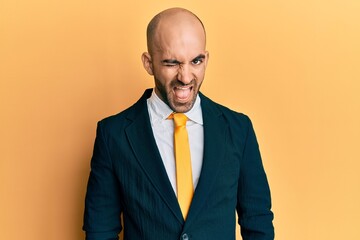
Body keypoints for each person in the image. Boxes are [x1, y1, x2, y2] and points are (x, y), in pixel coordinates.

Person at [83, 7, 274, 240]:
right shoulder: (113, 135)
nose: (185, 77)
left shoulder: (238, 129)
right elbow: (100, 230)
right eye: (172, 63)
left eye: (196, 61)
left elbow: (258, 222)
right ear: (148, 63)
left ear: (206, 58)